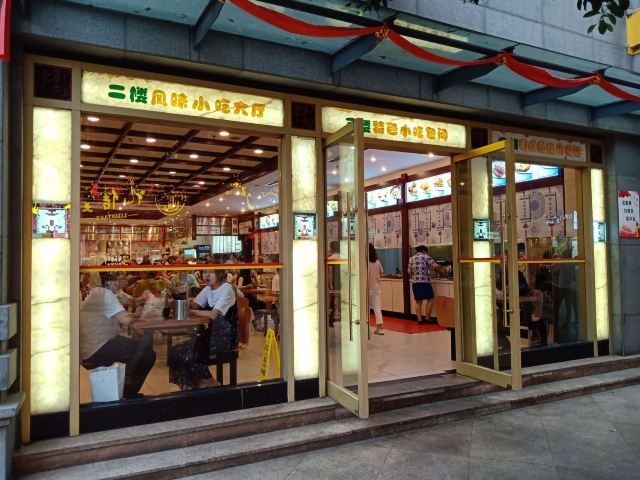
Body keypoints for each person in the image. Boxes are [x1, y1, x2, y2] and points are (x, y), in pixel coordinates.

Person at [80, 284, 156, 399]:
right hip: (99, 347)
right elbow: (126, 319)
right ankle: (127, 394)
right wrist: (147, 315)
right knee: (147, 355)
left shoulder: (94, 295)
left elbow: (124, 301)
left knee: (141, 348)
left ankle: (124, 391)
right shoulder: (104, 293)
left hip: (88, 350)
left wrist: (140, 301)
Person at [170, 270, 238, 390]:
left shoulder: (227, 289)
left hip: (225, 337)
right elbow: (194, 305)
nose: (206, 275)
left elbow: (213, 315)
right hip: (210, 334)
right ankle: (195, 385)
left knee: (190, 355)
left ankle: (210, 382)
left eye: (211, 272)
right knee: (176, 351)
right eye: (204, 272)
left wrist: (192, 311)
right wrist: (180, 301)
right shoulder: (208, 289)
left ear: (219, 274)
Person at [407, 245, 448, 325]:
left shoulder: (411, 259)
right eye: (426, 251)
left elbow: (409, 271)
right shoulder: (426, 257)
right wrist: (444, 269)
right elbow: (435, 266)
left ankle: (419, 320)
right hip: (425, 282)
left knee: (418, 301)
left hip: (415, 283)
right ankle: (427, 318)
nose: (426, 253)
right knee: (430, 299)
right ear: (423, 250)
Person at [368, 243, 385, 335]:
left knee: (365, 308)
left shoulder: (365, 262)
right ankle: (379, 328)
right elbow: (382, 273)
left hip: (367, 289)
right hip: (376, 288)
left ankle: (366, 327)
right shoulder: (377, 262)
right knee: (377, 308)